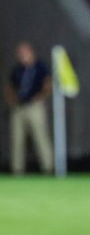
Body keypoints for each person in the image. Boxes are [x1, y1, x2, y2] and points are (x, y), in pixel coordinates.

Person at [4, 41, 54, 175]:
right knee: (17, 140)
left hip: (34, 106)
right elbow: (9, 87)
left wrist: (40, 96)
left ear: (31, 52)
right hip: (19, 107)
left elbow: (48, 84)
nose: (21, 56)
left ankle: (48, 168)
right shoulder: (18, 69)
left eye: (24, 52)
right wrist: (11, 100)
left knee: (40, 137)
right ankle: (17, 170)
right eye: (19, 53)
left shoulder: (40, 67)